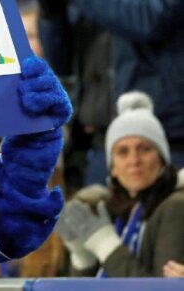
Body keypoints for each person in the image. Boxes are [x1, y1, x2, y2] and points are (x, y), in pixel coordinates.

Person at [23, 0, 184, 189]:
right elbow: (62, 60)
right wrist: (52, 13)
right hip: (97, 147)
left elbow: (148, 19)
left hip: (162, 145)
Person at [55, 91, 184, 277]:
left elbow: (162, 290)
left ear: (162, 158)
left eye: (145, 149)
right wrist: (83, 258)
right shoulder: (115, 210)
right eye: (123, 152)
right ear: (112, 168)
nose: (134, 160)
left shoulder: (176, 207)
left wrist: (105, 244)